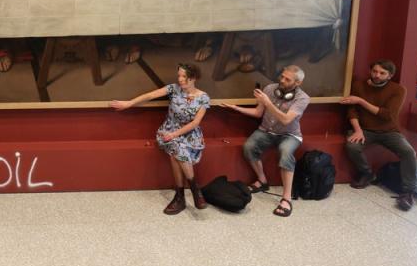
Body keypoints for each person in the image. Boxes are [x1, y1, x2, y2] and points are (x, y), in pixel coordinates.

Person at [110, 63, 210, 214]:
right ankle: (196, 191)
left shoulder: (203, 97)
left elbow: (195, 122)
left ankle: (180, 196)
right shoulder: (173, 89)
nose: (180, 79)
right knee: (176, 146)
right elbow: (150, 95)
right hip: (169, 130)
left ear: (194, 78)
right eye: (179, 76)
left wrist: (175, 135)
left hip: (190, 135)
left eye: (184, 76)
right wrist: (129, 103)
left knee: (175, 151)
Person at [221, 65, 310, 217]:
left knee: (286, 152)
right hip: (266, 131)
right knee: (249, 147)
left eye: (287, 79)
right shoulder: (270, 89)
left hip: (290, 134)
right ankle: (262, 181)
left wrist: (268, 103)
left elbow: (286, 120)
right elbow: (258, 112)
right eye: (282, 76)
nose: (281, 80)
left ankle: (286, 198)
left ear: (298, 83)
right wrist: (236, 108)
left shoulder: (303, 98)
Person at [341, 59, 416, 211]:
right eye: (375, 71)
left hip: (389, 131)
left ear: (390, 76)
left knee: (408, 152)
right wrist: (357, 129)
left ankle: (409, 192)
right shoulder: (358, 85)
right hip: (364, 129)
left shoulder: (398, 90)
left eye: (382, 73)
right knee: (352, 146)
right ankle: (367, 173)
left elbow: (387, 115)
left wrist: (362, 101)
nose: (377, 75)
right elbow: (351, 110)